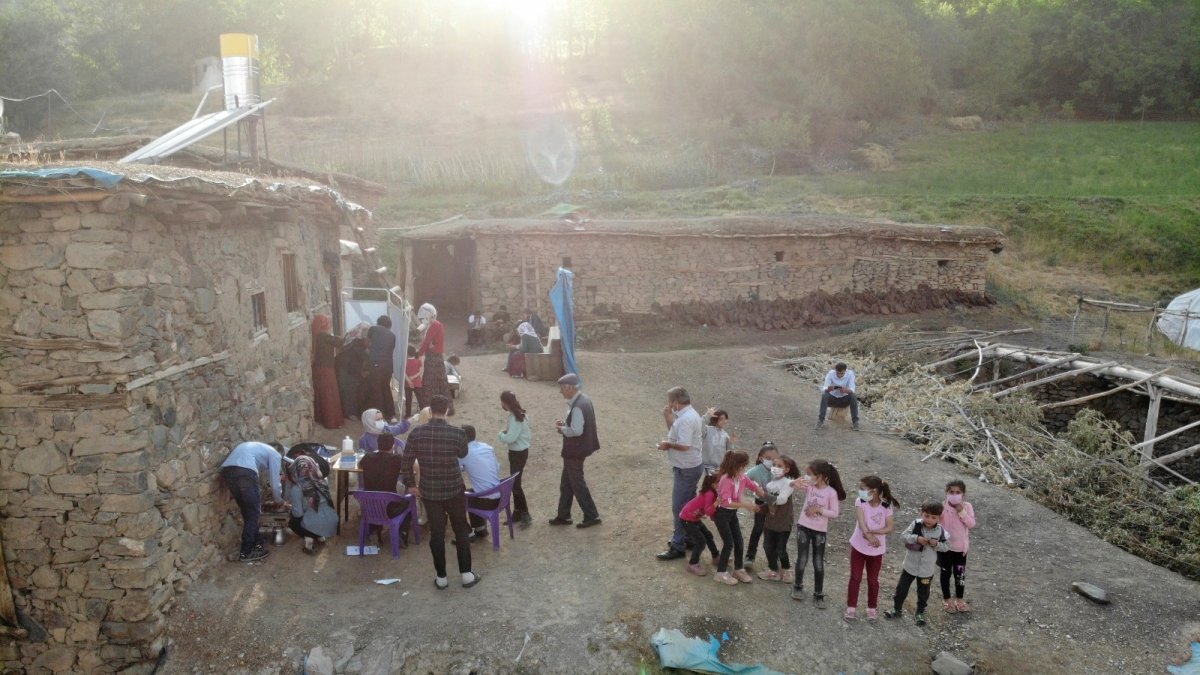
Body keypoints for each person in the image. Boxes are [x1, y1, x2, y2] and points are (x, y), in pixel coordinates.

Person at [400, 395, 481, 590]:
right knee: (460, 529)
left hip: (430, 491)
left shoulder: (417, 433)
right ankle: (466, 574)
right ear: (446, 410)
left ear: (429, 410)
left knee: (437, 533)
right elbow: (462, 453)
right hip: (454, 489)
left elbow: (406, 461)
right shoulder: (458, 433)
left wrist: (411, 484)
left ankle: (442, 577)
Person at [656, 387, 705, 561]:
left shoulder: (686, 419)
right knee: (689, 504)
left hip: (686, 468)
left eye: (670, 401)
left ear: (676, 402)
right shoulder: (687, 415)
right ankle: (689, 537)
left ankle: (678, 545)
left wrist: (667, 445)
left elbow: (684, 445)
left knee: (679, 507)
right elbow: (676, 434)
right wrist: (668, 417)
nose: (669, 404)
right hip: (690, 466)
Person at [790, 459, 846, 606]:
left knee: (818, 562)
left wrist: (818, 509)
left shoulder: (831, 493)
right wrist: (794, 482)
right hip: (803, 526)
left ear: (820, 476)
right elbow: (793, 485)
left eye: (809, 474)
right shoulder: (809, 486)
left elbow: (834, 513)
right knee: (802, 559)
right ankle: (798, 586)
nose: (806, 476)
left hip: (819, 531)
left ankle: (818, 593)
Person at [884, 502, 951, 626]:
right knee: (901, 589)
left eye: (933, 517)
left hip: (926, 570)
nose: (929, 519)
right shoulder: (915, 524)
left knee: (923, 592)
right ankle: (896, 608)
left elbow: (947, 547)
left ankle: (920, 612)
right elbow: (903, 537)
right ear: (921, 514)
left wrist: (936, 544)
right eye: (927, 516)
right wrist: (916, 538)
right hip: (909, 566)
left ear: (939, 518)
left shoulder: (941, 531)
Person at [549, 373, 602, 528]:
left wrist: (562, 429)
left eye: (562, 388)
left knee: (577, 484)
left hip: (575, 451)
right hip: (579, 449)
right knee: (566, 484)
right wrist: (566, 424)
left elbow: (576, 431)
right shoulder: (584, 400)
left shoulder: (578, 406)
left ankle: (591, 515)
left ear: (570, 388)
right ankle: (563, 515)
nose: (560, 391)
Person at [220, 442, 287, 562]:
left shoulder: (258, 448)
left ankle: (257, 542)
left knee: (247, 511)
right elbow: (275, 483)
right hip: (245, 473)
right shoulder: (276, 454)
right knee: (254, 513)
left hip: (228, 472)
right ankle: (246, 552)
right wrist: (279, 500)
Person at [846, 475, 898, 621]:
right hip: (858, 547)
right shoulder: (860, 502)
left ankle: (872, 608)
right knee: (855, 577)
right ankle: (851, 607)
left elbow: (889, 527)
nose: (860, 491)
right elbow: (861, 523)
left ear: (874, 491)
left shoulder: (886, 507)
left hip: (876, 551)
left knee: (873, 580)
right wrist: (870, 536)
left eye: (863, 488)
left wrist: (875, 532)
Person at [712, 450, 764, 585]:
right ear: (737, 466)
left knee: (739, 541)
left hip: (732, 514)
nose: (745, 469)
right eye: (744, 466)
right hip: (722, 514)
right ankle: (720, 573)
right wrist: (747, 505)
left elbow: (752, 484)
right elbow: (727, 502)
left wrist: (759, 490)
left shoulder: (741, 477)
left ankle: (739, 569)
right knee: (729, 543)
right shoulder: (726, 480)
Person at [359, 434, 412, 544]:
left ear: (378, 445)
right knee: (408, 501)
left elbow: (359, 466)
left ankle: (373, 529)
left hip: (369, 506)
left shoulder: (367, 457)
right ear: (393, 446)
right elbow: (410, 466)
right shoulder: (397, 459)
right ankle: (402, 533)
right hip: (390, 508)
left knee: (375, 496)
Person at [759, 455, 801, 582]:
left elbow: (782, 500)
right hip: (770, 522)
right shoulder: (770, 484)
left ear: (787, 469)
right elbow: (770, 504)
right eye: (774, 465)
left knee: (781, 549)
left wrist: (764, 494)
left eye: (779, 466)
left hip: (783, 522)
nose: (775, 468)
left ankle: (786, 569)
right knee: (767, 546)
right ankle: (773, 570)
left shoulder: (789, 483)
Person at [285, 454, 338, 555]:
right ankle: (321, 537)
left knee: (293, 521)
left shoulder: (297, 489)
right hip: (332, 523)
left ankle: (309, 539)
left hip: (314, 524)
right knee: (317, 512)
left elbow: (298, 514)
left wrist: (290, 508)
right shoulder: (323, 482)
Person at [459, 425, 502, 543]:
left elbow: (456, 469)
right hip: (500, 495)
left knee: (457, 500)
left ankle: (467, 533)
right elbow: (497, 468)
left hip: (486, 501)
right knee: (473, 491)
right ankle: (480, 528)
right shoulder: (487, 447)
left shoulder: (463, 453)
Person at [939, 480, 976, 614]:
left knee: (960, 575)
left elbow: (971, 524)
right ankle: (947, 599)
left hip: (960, 549)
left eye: (958, 492)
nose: (954, 495)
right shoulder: (942, 507)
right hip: (945, 548)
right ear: (946, 493)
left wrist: (962, 512)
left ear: (963, 494)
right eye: (951, 492)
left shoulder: (967, 506)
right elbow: (937, 525)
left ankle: (959, 599)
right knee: (945, 574)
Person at [497, 390, 533, 528]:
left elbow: (511, 438)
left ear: (505, 403)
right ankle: (518, 513)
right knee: (514, 484)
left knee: (516, 485)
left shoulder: (515, 417)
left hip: (518, 453)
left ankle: (525, 514)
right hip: (518, 452)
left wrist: (501, 435)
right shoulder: (519, 414)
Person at [743, 442, 780, 572]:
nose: (772, 461)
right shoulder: (756, 470)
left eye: (774, 458)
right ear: (761, 458)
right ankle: (750, 556)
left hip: (776, 504)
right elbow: (743, 479)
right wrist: (754, 487)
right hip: (761, 502)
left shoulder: (779, 468)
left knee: (774, 530)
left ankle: (775, 557)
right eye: (768, 458)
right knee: (758, 528)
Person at [679, 472, 721, 576]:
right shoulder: (710, 493)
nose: (721, 484)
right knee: (701, 541)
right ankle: (692, 564)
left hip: (694, 518)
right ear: (713, 484)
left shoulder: (713, 492)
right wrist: (716, 504)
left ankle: (716, 557)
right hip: (687, 519)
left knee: (708, 535)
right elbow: (707, 511)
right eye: (719, 482)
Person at [416, 303, 453, 416]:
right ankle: (441, 408)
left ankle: (428, 408)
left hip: (433, 357)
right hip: (435, 357)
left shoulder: (435, 325)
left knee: (429, 383)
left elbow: (426, 342)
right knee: (438, 383)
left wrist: (418, 354)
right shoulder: (435, 325)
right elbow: (428, 342)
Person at [311, 315, 344, 429]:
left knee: (322, 394)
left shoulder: (317, 336)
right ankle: (331, 421)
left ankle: (322, 418)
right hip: (326, 369)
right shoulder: (324, 336)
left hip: (318, 368)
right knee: (329, 394)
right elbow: (340, 342)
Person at [364, 315, 398, 418]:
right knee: (386, 388)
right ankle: (391, 415)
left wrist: (370, 351)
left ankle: (379, 416)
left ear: (378, 322)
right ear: (389, 325)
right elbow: (390, 350)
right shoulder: (393, 335)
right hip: (388, 366)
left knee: (376, 390)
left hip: (376, 364)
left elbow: (366, 344)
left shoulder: (373, 329)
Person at [336, 321, 370, 420]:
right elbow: (362, 355)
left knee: (350, 391)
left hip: (347, 368)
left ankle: (350, 412)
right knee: (349, 391)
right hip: (347, 369)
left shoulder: (352, 338)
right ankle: (349, 413)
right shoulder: (356, 343)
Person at [816, 362, 859, 431]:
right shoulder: (831, 373)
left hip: (844, 399)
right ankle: (820, 421)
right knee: (824, 395)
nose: (839, 375)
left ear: (845, 371)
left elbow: (852, 389)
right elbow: (824, 388)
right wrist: (829, 389)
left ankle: (855, 422)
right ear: (835, 370)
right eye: (838, 373)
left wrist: (846, 390)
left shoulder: (850, 374)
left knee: (853, 396)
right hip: (832, 399)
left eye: (842, 373)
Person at [701, 409, 734, 474]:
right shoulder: (707, 429)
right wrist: (707, 415)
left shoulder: (725, 435)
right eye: (721, 419)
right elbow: (699, 426)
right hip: (705, 467)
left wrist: (731, 443)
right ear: (715, 419)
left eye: (725, 419)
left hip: (718, 468)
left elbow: (729, 453)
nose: (724, 421)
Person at [403, 345, 424, 419]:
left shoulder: (405, 361)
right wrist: (413, 377)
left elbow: (403, 373)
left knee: (408, 400)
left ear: (407, 353)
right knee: (420, 399)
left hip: (407, 384)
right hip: (417, 383)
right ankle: (423, 413)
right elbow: (420, 371)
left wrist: (409, 380)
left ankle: (408, 414)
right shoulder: (418, 361)